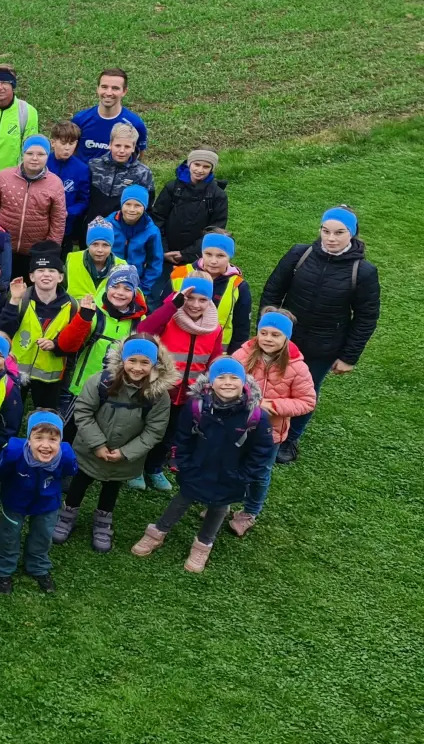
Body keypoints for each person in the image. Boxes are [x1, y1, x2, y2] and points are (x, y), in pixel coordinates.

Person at [257, 207, 380, 461]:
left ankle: (290, 440)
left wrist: (349, 357)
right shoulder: (299, 254)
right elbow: (272, 291)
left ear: (352, 234)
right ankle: (259, 429)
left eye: (339, 233)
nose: (331, 238)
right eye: (326, 231)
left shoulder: (363, 271)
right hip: (284, 339)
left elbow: (366, 317)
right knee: (269, 383)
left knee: (305, 391)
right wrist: (266, 329)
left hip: (323, 346)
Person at [132, 358, 274, 573]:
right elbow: (182, 438)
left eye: (234, 378)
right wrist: (185, 464)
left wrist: (243, 475)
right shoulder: (196, 406)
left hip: (230, 474)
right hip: (197, 468)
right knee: (183, 498)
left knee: (218, 507)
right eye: (221, 377)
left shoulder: (257, 416)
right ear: (210, 382)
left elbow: (262, 452)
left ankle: (203, 544)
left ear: (244, 382)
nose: (227, 382)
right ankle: (157, 532)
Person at [58, 336, 177, 552]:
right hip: (89, 451)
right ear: (122, 360)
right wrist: (97, 444)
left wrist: (125, 453)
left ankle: (103, 522)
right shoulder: (100, 381)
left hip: (124, 458)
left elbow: (154, 430)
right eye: (132, 360)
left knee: (112, 486)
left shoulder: (159, 396)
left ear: (154, 364)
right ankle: (67, 514)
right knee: (79, 481)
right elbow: (83, 413)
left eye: (144, 362)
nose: (137, 368)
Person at [227, 310, 316, 535]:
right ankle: (222, 502)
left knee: (259, 473)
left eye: (275, 335)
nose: (268, 338)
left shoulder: (297, 367)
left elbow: (307, 401)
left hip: (270, 433)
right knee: (229, 464)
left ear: (287, 338)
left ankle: (249, 512)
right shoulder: (242, 355)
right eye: (263, 332)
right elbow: (225, 381)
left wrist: (273, 406)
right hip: (236, 426)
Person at [134, 274, 225, 491]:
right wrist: (173, 305)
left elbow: (214, 359)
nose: (195, 304)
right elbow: (143, 330)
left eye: (203, 300)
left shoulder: (215, 328)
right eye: (190, 298)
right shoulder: (169, 318)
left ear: (210, 301)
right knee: (145, 429)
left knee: (170, 435)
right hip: (158, 390)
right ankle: (135, 468)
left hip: (188, 395)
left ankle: (154, 468)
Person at [0, 411, 77, 595]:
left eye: (53, 439)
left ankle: (37, 566)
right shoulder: (13, 451)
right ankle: (3, 569)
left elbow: (69, 472)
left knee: (43, 533)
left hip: (47, 502)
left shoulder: (67, 455)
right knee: (8, 533)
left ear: (60, 441)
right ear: (28, 439)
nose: (45, 445)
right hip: (15, 499)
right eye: (39, 438)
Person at [0, 245, 75, 410]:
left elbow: (74, 343)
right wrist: (13, 301)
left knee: (45, 418)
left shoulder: (72, 306)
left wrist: (56, 344)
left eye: (52, 270)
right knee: (10, 414)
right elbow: (3, 332)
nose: (46, 274)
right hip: (16, 370)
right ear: (32, 276)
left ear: (61, 277)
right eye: (40, 270)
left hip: (50, 376)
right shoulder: (21, 299)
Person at [57, 263, 149, 399]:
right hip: (82, 389)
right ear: (107, 287)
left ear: (134, 293)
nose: (120, 293)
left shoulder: (140, 320)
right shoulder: (93, 312)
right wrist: (83, 318)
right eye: (115, 286)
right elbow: (65, 346)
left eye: (127, 289)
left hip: (118, 393)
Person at [163, 230, 252, 351]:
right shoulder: (179, 276)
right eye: (208, 254)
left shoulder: (238, 286)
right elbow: (160, 313)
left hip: (215, 355)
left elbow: (241, 330)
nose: (213, 261)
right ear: (201, 253)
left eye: (220, 255)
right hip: (174, 351)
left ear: (230, 256)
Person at [0, 135, 67, 278]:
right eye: (30, 153)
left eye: (40, 154)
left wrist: (49, 248)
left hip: (35, 248)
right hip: (3, 244)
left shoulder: (55, 183)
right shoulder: (4, 176)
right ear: (23, 154)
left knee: (28, 290)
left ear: (47, 156)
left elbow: (58, 219)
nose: (34, 158)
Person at [151, 148, 229, 265]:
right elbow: (157, 219)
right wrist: (164, 250)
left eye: (206, 167)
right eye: (196, 164)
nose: (200, 170)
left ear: (212, 169)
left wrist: (186, 254)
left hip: (197, 259)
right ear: (189, 164)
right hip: (165, 255)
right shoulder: (172, 188)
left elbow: (215, 230)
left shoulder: (218, 195)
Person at [85, 124, 156, 228]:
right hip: (92, 227)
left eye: (127, 146)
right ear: (110, 144)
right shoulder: (93, 165)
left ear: (133, 147)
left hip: (123, 230)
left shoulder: (143, 173)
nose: (122, 151)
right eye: (117, 145)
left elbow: (147, 206)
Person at [71, 68, 148, 161]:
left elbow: (139, 158)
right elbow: (71, 153)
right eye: (104, 87)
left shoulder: (135, 124)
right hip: (85, 175)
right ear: (97, 88)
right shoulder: (79, 120)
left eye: (115, 88)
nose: (108, 93)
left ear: (124, 91)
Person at [105, 186, 165, 301]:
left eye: (137, 205)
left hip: (136, 284)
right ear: (121, 204)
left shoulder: (151, 231)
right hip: (108, 280)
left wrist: (144, 288)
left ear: (145, 207)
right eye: (128, 204)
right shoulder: (108, 225)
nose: (132, 209)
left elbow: (155, 262)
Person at [46, 121, 91, 249]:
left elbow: (84, 200)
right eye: (63, 143)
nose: (67, 148)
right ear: (53, 143)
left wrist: (68, 212)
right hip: (40, 224)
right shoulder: (43, 163)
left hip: (66, 227)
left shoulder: (82, 169)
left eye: (71, 144)